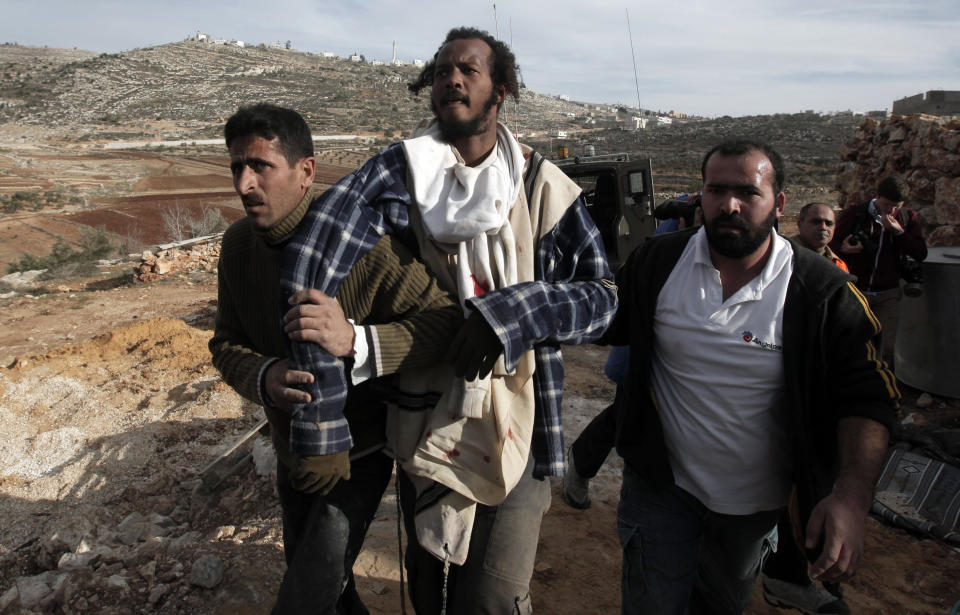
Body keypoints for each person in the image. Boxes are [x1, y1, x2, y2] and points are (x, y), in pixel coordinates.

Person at [279, 27, 616, 614]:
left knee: (491, 599)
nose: (451, 80)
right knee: (432, 593)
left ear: (501, 90)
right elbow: (314, 257)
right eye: (440, 71)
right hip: (425, 424)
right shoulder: (402, 174)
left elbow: (603, 296)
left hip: (519, 419)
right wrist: (323, 416)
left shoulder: (542, 187)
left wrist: (512, 312)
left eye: (469, 70)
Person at [600, 138, 898, 615]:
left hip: (754, 506)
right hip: (661, 488)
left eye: (747, 192)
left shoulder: (823, 292)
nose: (729, 205)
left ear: (779, 204)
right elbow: (603, 315)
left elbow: (867, 398)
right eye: (716, 190)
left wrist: (849, 498)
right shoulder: (659, 262)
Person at [208, 103, 461, 614]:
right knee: (322, 580)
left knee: (306, 594)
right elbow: (226, 343)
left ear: (306, 172)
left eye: (261, 166)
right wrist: (265, 376)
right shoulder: (237, 246)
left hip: (358, 454)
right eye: (237, 166)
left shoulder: (364, 247)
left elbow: (447, 322)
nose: (244, 185)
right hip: (289, 447)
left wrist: (357, 340)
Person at [830, 176, 927, 365]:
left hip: (888, 293)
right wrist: (843, 248)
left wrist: (899, 233)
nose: (889, 210)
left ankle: (881, 387)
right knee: (852, 343)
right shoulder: (856, 213)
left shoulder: (907, 218)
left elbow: (920, 252)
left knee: (886, 347)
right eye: (886, 204)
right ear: (877, 196)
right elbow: (831, 243)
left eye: (895, 206)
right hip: (857, 290)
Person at [795, 202, 848, 272]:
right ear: (800, 224)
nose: (823, 227)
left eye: (829, 223)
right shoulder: (783, 254)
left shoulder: (838, 265)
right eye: (816, 222)